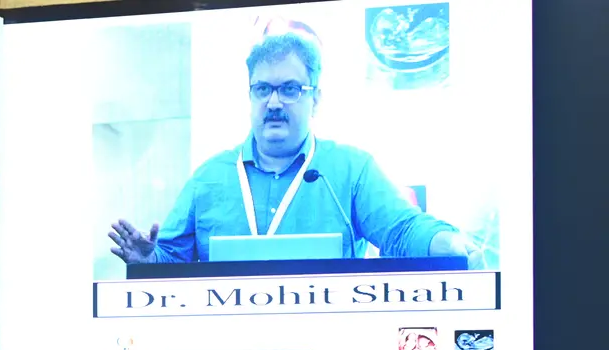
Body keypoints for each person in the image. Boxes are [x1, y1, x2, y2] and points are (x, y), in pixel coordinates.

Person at [108, 30, 480, 267]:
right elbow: (171, 262)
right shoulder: (208, 178)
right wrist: (148, 261)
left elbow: (400, 231)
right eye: (262, 89)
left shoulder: (350, 170)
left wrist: (445, 242)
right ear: (250, 96)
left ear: (315, 99)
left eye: (289, 89)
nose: (273, 102)